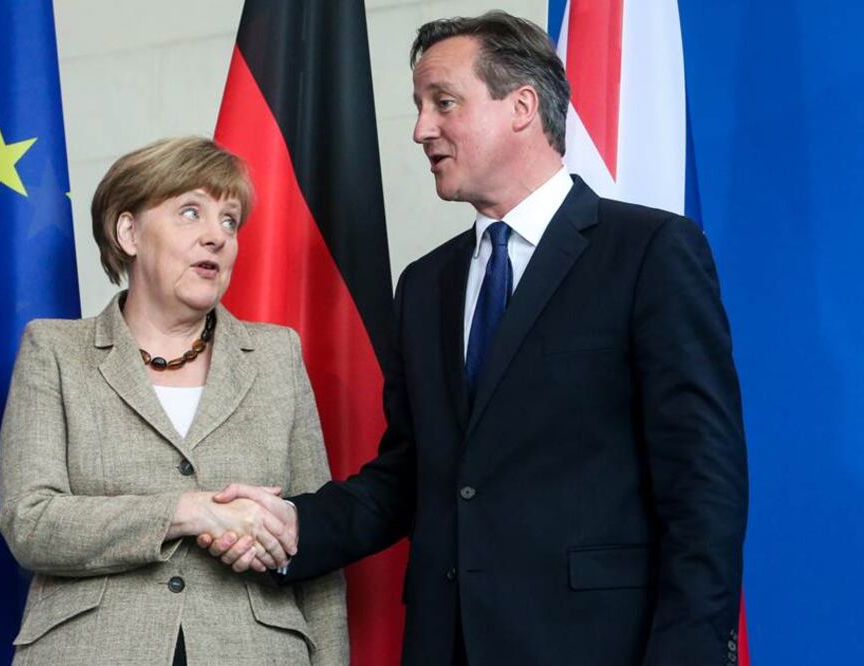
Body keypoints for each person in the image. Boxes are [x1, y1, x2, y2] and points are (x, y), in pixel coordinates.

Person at [199, 11, 748, 666]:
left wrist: (687, 651)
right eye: (419, 106)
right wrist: (292, 528)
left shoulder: (648, 252)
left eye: (443, 103)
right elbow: (410, 477)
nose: (420, 129)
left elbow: (701, 477)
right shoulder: (426, 286)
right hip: (446, 642)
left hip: (599, 643)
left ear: (520, 106)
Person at [0, 136, 348, 666]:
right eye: (191, 212)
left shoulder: (277, 355)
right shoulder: (54, 351)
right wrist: (188, 511)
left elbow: (315, 543)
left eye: (229, 221)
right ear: (129, 231)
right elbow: (31, 522)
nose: (216, 237)